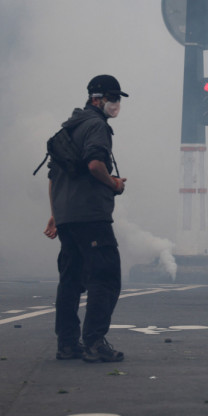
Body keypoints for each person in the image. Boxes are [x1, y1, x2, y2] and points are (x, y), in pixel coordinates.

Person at [44, 74, 128, 363]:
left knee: (70, 280)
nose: (117, 104)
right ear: (98, 98)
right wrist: (114, 183)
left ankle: (67, 344)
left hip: (68, 218)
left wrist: (56, 215)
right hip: (91, 217)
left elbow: (53, 177)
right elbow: (95, 164)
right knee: (105, 278)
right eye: (113, 98)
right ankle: (94, 342)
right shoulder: (96, 126)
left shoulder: (69, 128)